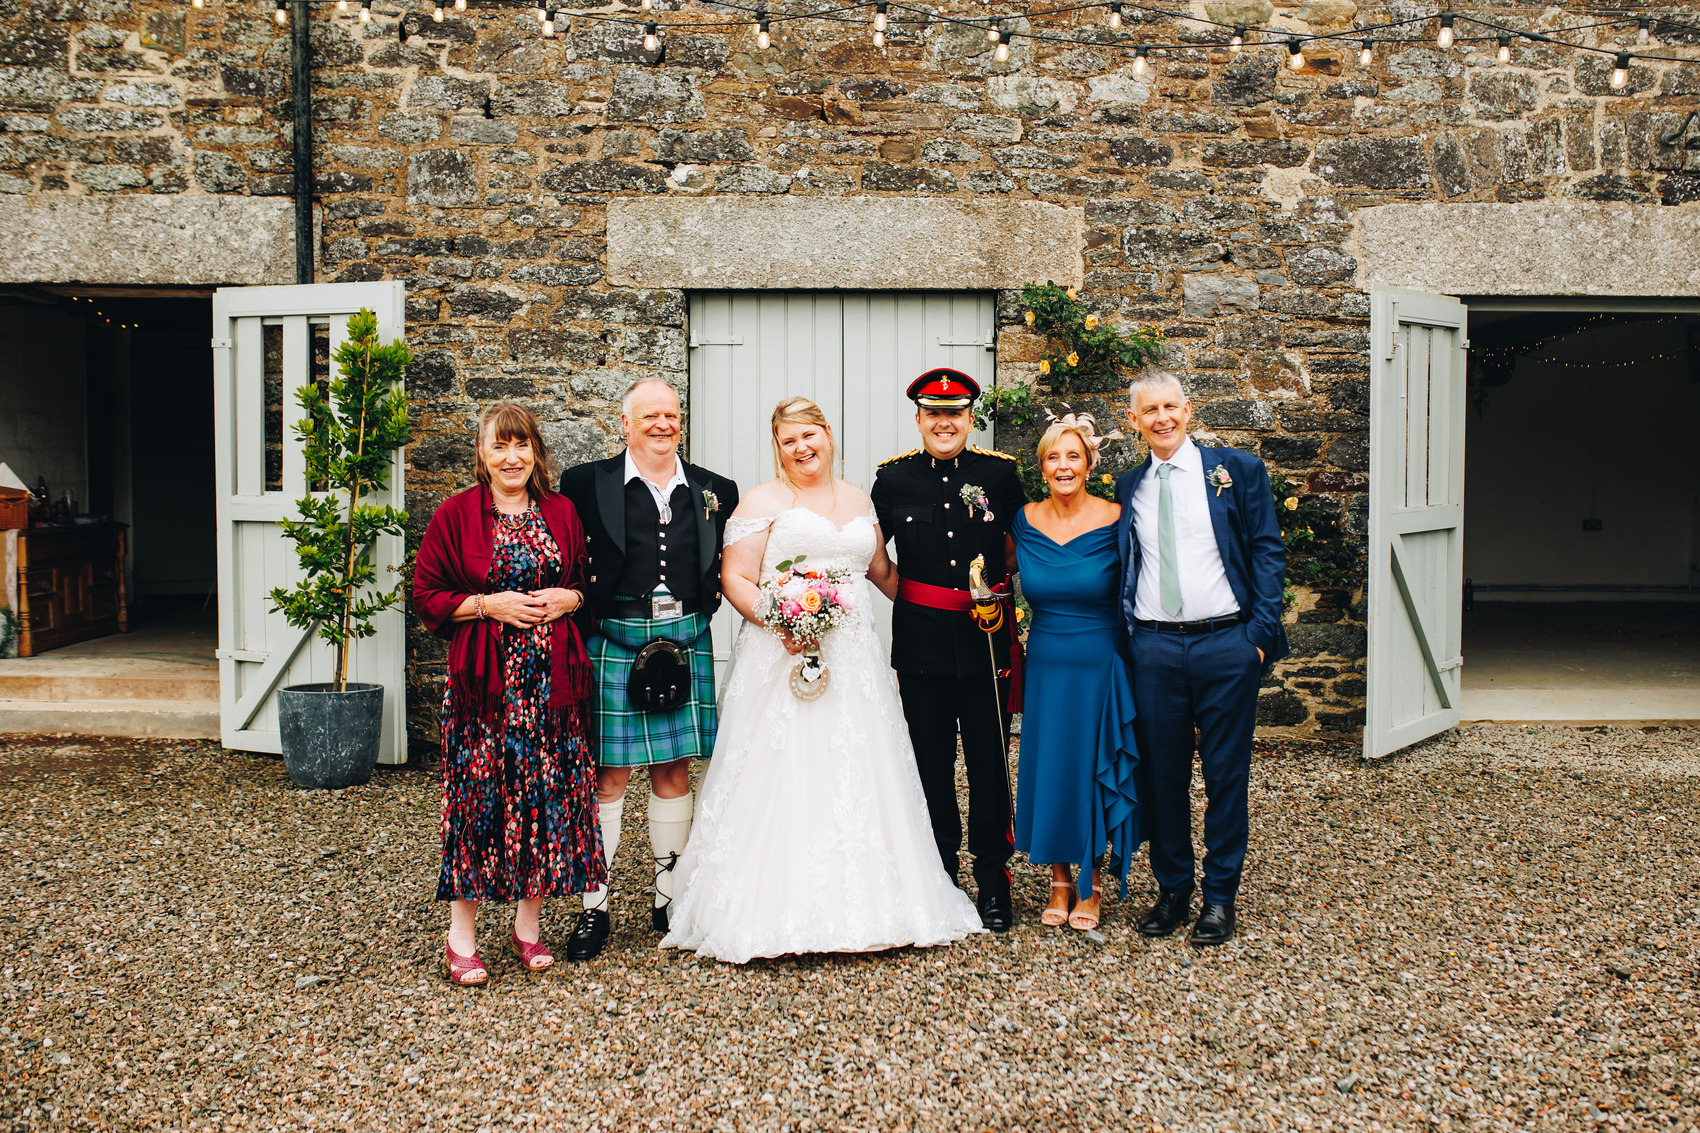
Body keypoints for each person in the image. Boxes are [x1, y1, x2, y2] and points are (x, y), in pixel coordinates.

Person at [660, 397, 984, 963]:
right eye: (788, 441)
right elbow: (735, 577)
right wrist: (782, 620)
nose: (801, 448)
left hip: (854, 661)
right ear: (777, 448)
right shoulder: (760, 501)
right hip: (784, 655)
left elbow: (882, 573)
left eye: (808, 435)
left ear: (828, 434)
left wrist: (953, 609)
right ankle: (772, 907)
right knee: (786, 767)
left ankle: (877, 902)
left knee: (861, 769)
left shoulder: (859, 499)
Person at [413, 401, 602, 986]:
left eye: (522, 445)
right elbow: (426, 595)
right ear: (483, 454)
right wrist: (485, 605)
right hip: (486, 689)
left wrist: (571, 598)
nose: (512, 457)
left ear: (536, 452)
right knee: (478, 802)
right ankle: (461, 937)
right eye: (500, 445)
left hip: (550, 686)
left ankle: (527, 927)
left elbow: (584, 583)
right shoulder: (455, 515)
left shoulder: (562, 512)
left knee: (544, 799)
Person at [559, 378, 739, 961]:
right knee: (608, 776)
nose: (663, 424)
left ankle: (669, 898)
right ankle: (594, 905)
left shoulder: (715, 489)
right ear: (625, 422)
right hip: (614, 637)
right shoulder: (585, 483)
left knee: (673, 771)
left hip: (684, 638)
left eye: (672, 414)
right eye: (650, 415)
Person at [1116, 370, 1287, 947]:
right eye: (1149, 410)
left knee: (1225, 775)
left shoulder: (1236, 471)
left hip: (1226, 645)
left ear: (1188, 410)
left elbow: (1267, 551)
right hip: (1154, 649)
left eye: (1170, 407)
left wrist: (1257, 636)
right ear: (1133, 420)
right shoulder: (1128, 487)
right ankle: (1173, 890)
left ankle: (1219, 898)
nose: (1161, 418)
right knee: (1162, 776)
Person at [870, 369, 1025, 932]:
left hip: (986, 643)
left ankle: (993, 880)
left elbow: (1016, 549)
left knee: (990, 763)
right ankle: (939, 877)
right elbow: (874, 558)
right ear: (918, 419)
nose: (944, 422)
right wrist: (921, 600)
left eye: (954, 413)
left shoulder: (1000, 475)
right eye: (933, 413)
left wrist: (990, 597)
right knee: (929, 764)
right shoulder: (893, 479)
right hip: (922, 645)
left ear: (969, 418)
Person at [1009, 413, 1141, 933]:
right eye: (1053, 457)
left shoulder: (1118, 517)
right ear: (1041, 467)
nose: (1063, 466)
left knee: (1093, 763)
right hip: (1047, 661)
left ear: (1089, 464)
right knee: (1053, 765)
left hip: (1100, 660)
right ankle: (1060, 879)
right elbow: (987, 572)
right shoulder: (1023, 521)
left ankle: (1093, 881)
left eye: (1073, 456)